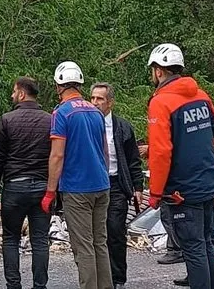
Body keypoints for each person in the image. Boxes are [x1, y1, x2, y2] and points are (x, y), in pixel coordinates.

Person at [146, 43, 214, 289]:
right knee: (207, 242)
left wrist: (155, 192)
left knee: (193, 248)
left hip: (183, 190)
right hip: (208, 182)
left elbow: (161, 151)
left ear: (159, 71)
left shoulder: (161, 102)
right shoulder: (201, 95)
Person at [41, 61, 113, 289]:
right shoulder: (96, 111)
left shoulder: (61, 113)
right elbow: (105, 151)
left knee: (83, 247)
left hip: (77, 188)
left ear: (58, 86)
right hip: (102, 185)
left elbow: (57, 156)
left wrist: (50, 192)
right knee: (100, 243)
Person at [0, 76, 52, 289]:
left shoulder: (7, 120)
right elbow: (56, 155)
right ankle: (39, 285)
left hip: (15, 186)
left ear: (22, 94)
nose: (12, 95)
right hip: (42, 187)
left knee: (10, 239)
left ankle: (13, 285)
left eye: (14, 91)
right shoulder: (49, 120)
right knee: (40, 240)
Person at [90, 82, 145, 289]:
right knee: (94, 234)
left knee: (115, 231)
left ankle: (118, 278)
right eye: (93, 98)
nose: (95, 103)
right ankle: (97, 277)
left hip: (115, 184)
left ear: (110, 103)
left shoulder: (122, 127)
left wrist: (138, 187)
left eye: (100, 99)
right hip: (93, 184)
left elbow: (133, 160)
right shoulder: (85, 124)